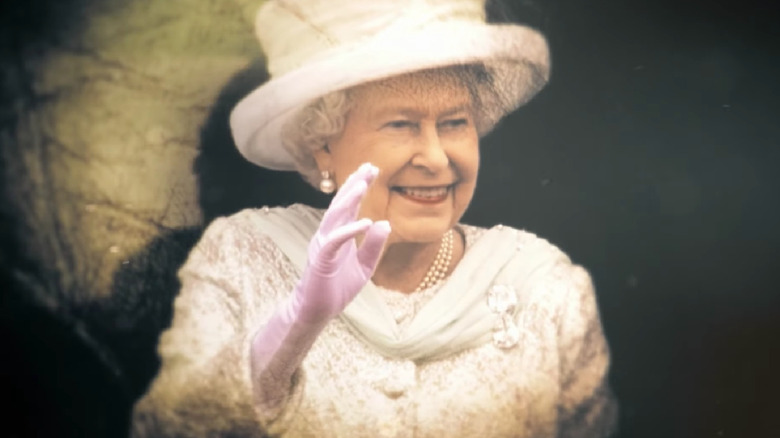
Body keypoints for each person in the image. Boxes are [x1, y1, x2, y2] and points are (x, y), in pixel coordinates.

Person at [131, 0, 618, 436]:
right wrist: (296, 325)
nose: (435, 157)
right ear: (321, 143)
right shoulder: (241, 257)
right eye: (401, 124)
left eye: (454, 123)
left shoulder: (546, 287)